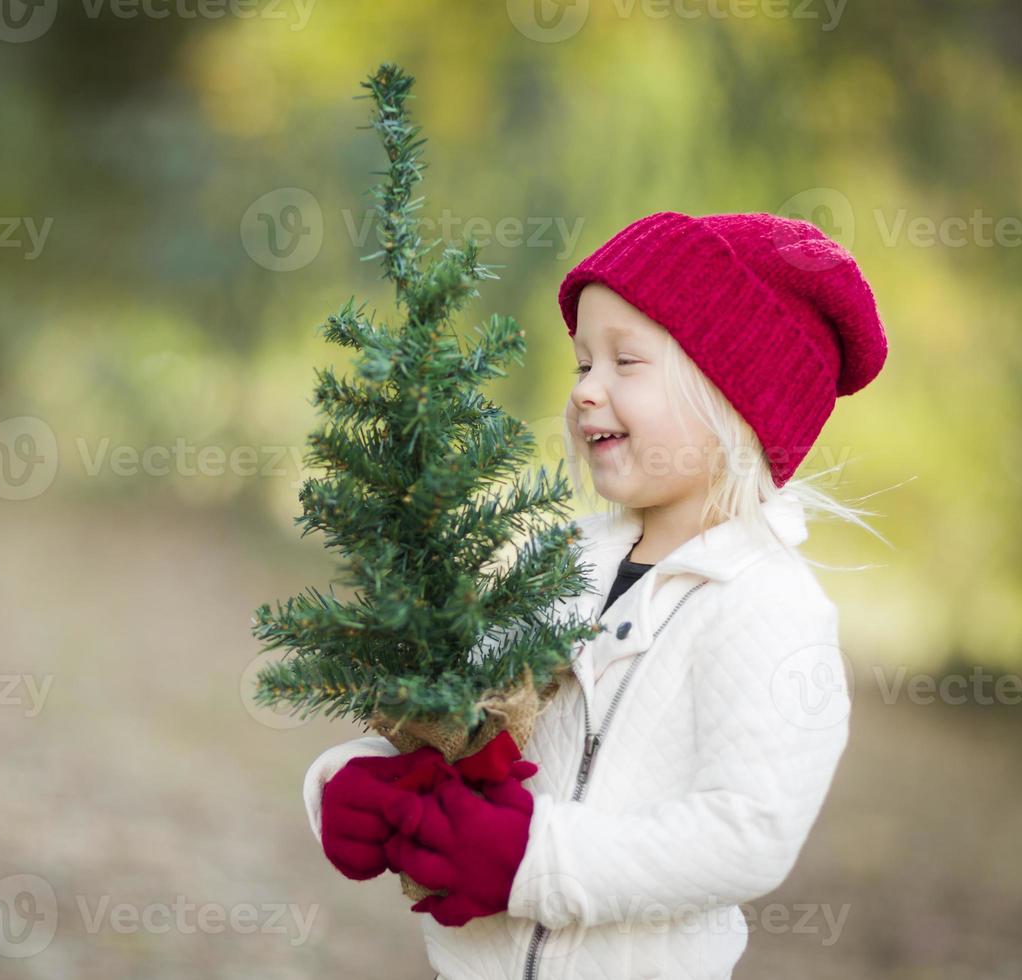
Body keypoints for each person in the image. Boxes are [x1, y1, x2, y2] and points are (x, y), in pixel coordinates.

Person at [302, 210, 890, 979]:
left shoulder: (766, 605)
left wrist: (532, 859)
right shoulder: (563, 559)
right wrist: (360, 775)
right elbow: (461, 712)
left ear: (731, 394)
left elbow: (748, 830)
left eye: (625, 362)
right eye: (583, 364)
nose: (586, 392)